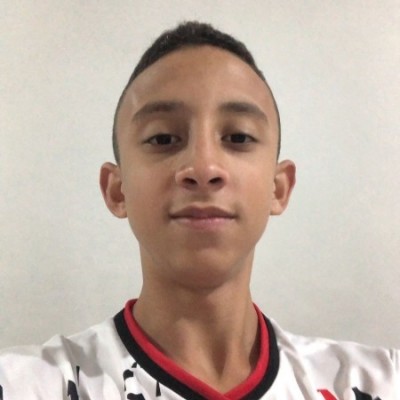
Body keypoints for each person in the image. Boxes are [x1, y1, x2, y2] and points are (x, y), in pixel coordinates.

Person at [0, 21, 398, 400]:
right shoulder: (27, 384)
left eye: (238, 136)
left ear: (279, 187)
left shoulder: (379, 381)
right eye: (163, 138)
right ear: (117, 190)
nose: (204, 168)